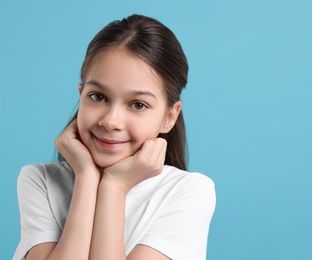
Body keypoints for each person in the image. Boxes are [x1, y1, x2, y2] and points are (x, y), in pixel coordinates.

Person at [13, 14, 216, 260]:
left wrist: (114, 187)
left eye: (138, 104)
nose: (110, 121)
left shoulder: (189, 193)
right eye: (98, 97)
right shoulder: (40, 182)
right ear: (81, 94)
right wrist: (87, 177)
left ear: (169, 117)